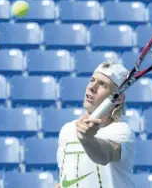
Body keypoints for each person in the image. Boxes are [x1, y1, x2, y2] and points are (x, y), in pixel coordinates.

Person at [54, 60, 136, 188]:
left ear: (118, 99)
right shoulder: (67, 130)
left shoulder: (121, 131)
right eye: (92, 80)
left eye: (103, 85)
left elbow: (105, 155)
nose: (92, 87)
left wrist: (88, 139)